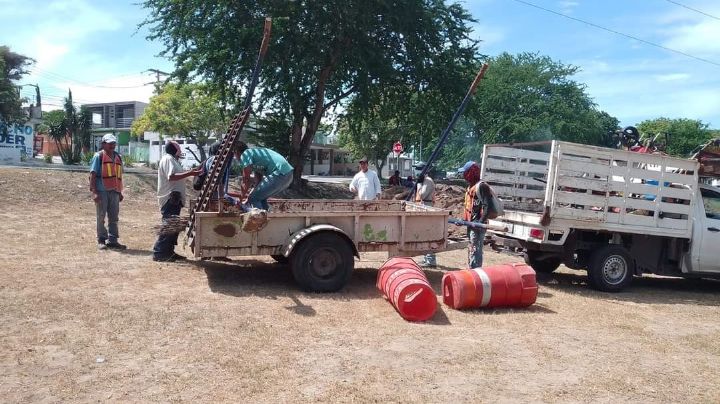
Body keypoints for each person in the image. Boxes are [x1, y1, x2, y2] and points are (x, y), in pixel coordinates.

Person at [152, 141, 203, 262]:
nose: (180, 150)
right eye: (179, 148)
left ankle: (168, 251)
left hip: (175, 198)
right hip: (170, 198)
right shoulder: (168, 159)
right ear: (174, 149)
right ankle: (159, 252)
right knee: (169, 224)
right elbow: (172, 176)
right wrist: (190, 173)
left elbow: (177, 174)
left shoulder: (172, 160)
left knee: (172, 225)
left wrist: (190, 171)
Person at [89, 134, 127, 250]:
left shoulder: (118, 157)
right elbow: (92, 175)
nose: (112, 145)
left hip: (115, 191)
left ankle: (113, 240)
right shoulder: (98, 156)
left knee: (114, 217)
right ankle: (101, 239)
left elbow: (119, 176)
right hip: (102, 191)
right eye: (110, 143)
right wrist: (94, 192)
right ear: (103, 144)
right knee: (101, 216)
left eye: (114, 143)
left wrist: (120, 192)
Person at [231, 141, 294, 211]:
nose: (234, 157)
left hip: (279, 173)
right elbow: (258, 183)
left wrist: (240, 200)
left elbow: (246, 181)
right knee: (260, 197)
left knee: (254, 198)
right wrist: (248, 199)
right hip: (288, 175)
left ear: (236, 152)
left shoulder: (245, 154)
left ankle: (259, 220)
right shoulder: (255, 158)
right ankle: (265, 217)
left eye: (233, 154)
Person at [460, 160, 493, 268]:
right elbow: (470, 206)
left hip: (478, 225)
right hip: (471, 224)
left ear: (471, 172)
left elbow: (488, 206)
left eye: (465, 172)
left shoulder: (482, 186)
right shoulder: (470, 187)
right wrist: (464, 220)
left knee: (476, 248)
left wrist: (480, 222)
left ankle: (476, 271)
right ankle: (472, 268)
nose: (463, 175)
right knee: (472, 247)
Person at [415, 173, 437, 267]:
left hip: (428, 207)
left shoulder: (428, 181)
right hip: (424, 207)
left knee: (428, 235)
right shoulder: (424, 180)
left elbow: (423, 195)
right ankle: (426, 258)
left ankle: (431, 260)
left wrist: (419, 185)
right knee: (424, 235)